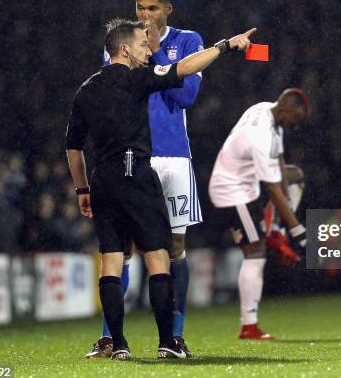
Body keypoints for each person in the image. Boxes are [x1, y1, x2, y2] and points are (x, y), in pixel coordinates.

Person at [66, 18, 255, 359]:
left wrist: (82, 190)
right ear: (124, 49)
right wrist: (224, 46)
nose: (146, 51)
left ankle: (118, 345)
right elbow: (182, 68)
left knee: (111, 261)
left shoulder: (86, 90)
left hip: (102, 182)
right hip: (136, 174)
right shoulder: (137, 79)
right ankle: (168, 341)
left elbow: (73, 147)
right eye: (141, 45)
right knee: (157, 259)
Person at [88, 0, 203, 359]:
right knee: (118, 251)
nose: (145, 14)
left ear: (168, 8)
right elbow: (111, 92)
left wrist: (155, 55)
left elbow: (186, 97)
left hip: (172, 157)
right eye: (140, 7)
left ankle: (175, 336)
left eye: (153, 7)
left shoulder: (188, 42)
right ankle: (110, 338)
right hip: (128, 157)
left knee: (173, 249)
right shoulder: (121, 44)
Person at [208, 88, 309, 340]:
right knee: (255, 252)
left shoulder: (268, 111)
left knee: (294, 174)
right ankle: (249, 325)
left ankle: (276, 231)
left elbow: (280, 162)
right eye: (294, 122)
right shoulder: (260, 136)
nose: (294, 127)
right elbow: (272, 188)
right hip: (231, 191)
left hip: (247, 187)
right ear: (285, 109)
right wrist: (299, 232)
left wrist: (285, 223)